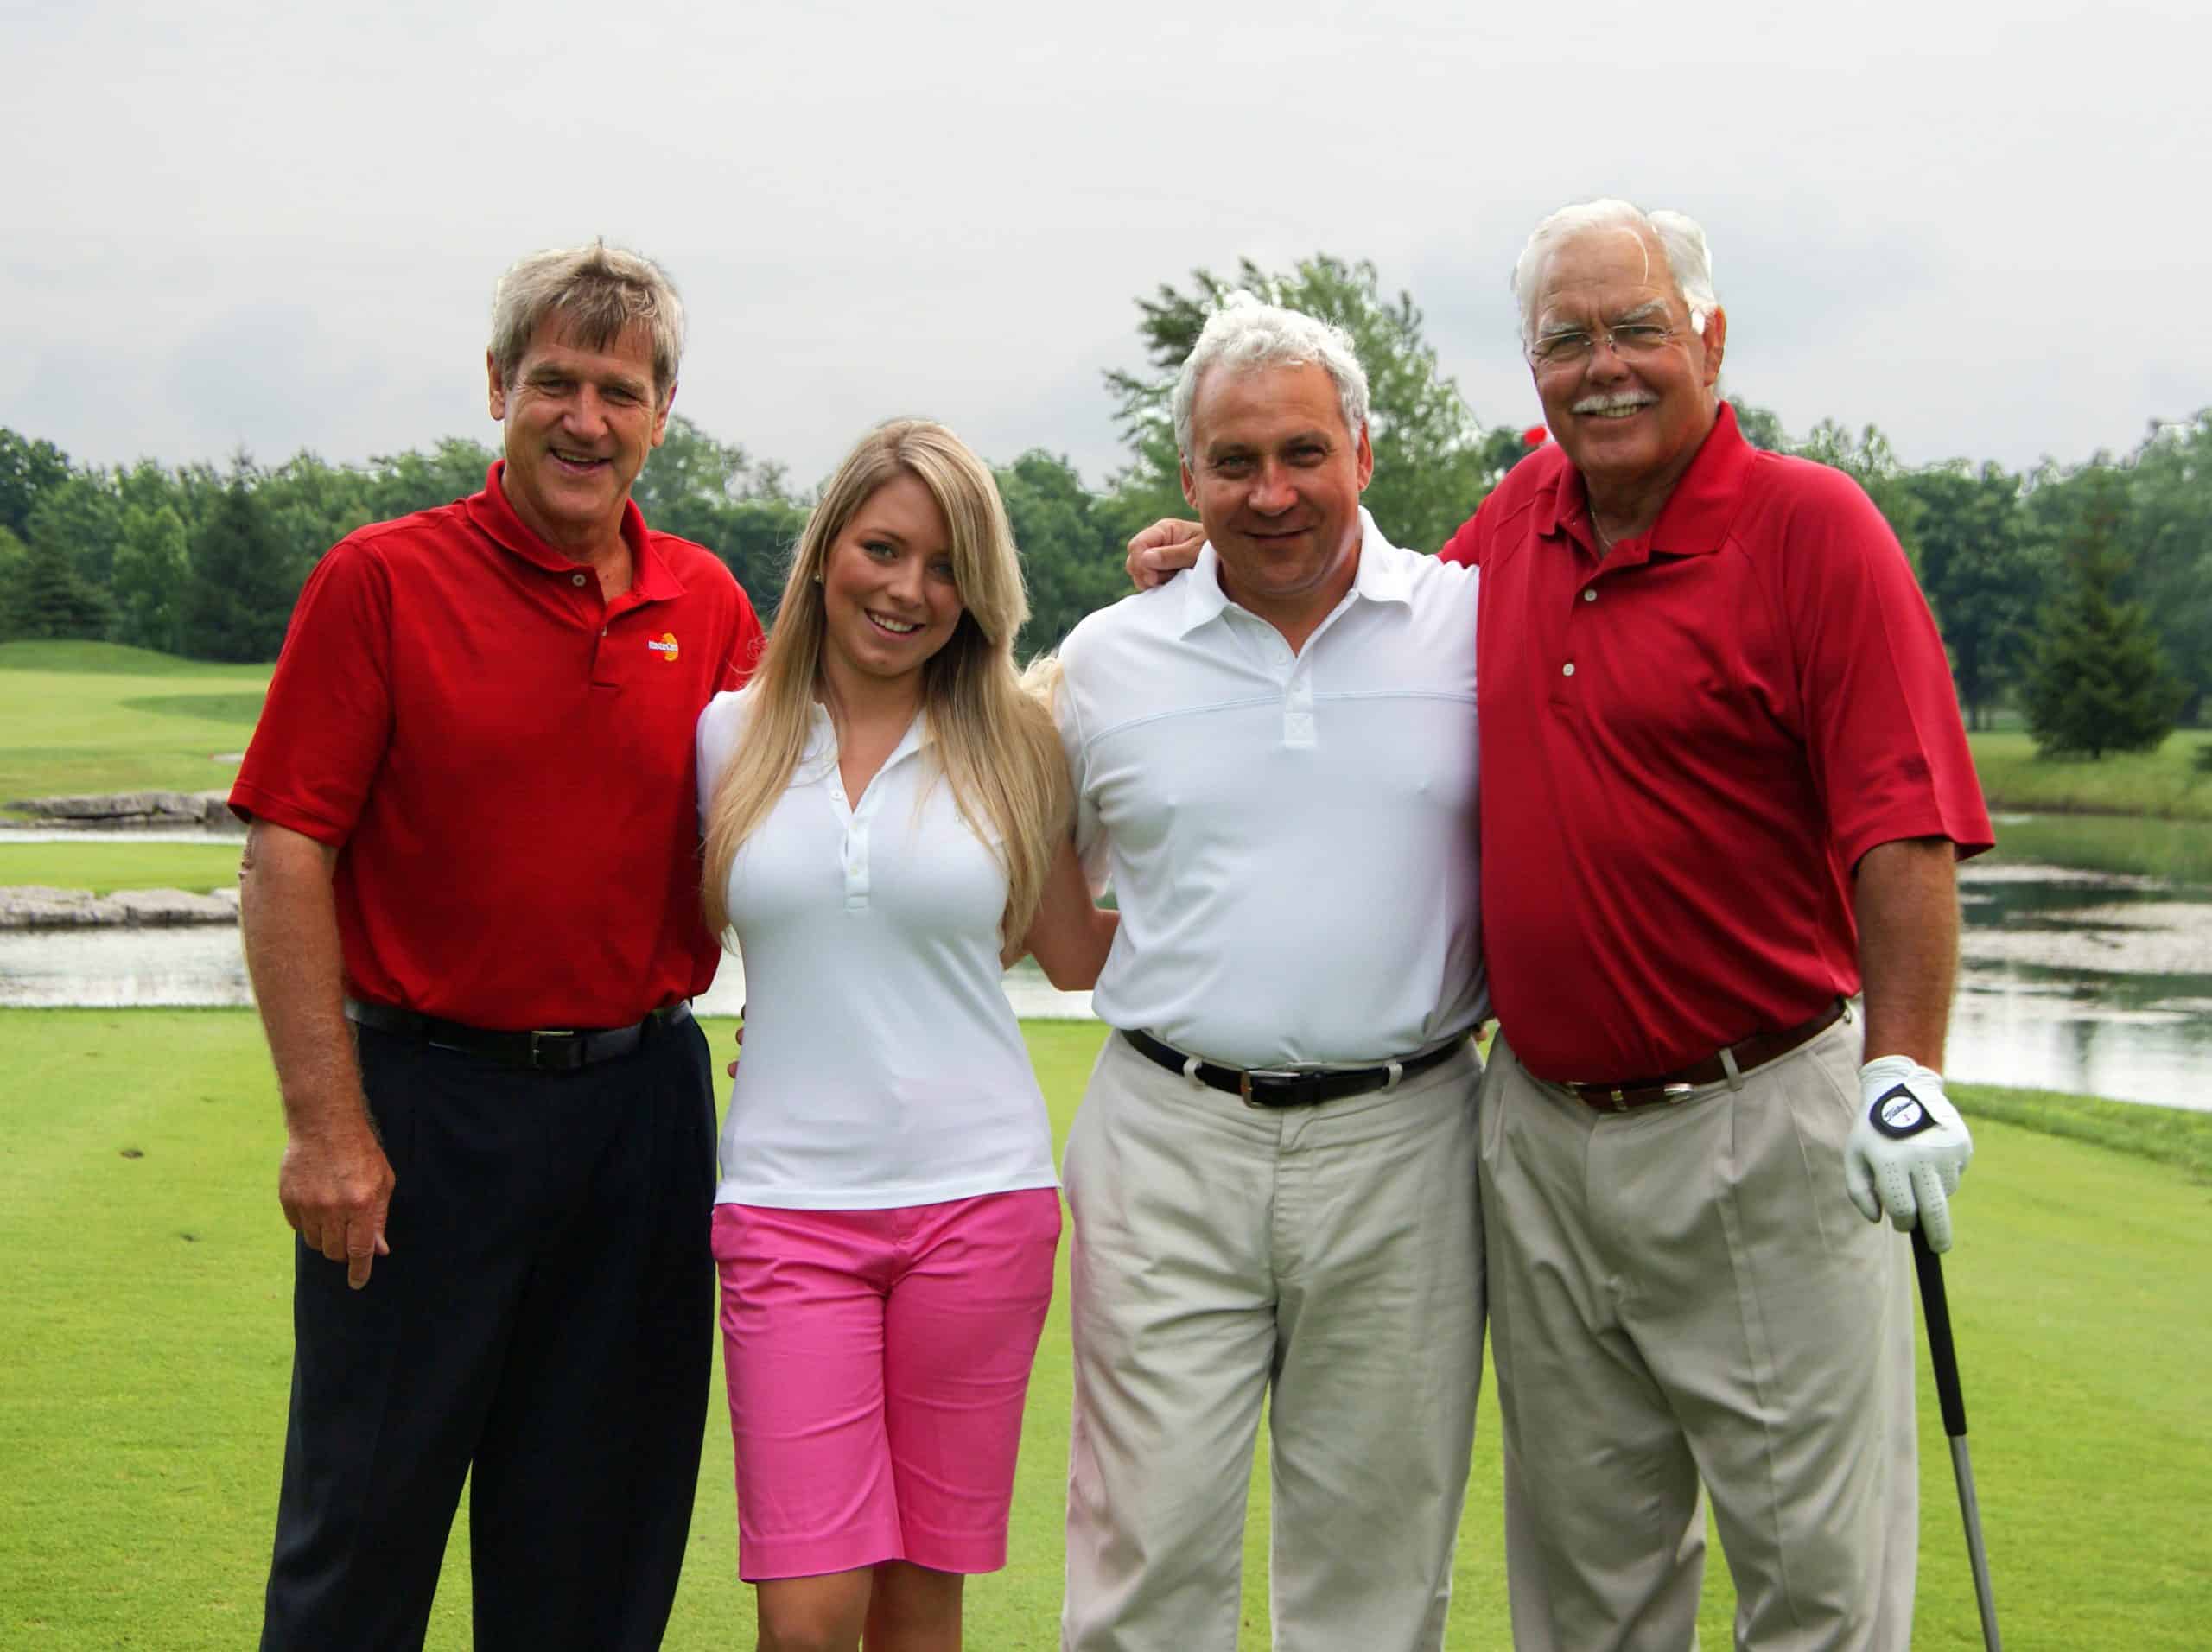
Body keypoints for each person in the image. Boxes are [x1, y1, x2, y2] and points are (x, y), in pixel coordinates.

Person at [1130, 201, 1992, 1649]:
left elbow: (1902, 827)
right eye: (1566, 340)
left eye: (1636, 329)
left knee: (1818, 1589)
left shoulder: (1811, 528)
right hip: (1535, 1139)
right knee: (1590, 1589)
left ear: (1707, 337)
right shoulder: (1515, 524)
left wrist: (1906, 1065)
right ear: (1531, 368)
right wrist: (1211, 562)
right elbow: (1356, 602)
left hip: (1761, 1121)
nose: (1604, 367)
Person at [231, 241, 765, 1651]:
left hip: (640, 1119)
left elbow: (829, 798)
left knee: (596, 1550)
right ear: (497, 389)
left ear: (663, 414)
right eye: (556, 382)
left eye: (623, 390)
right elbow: (290, 848)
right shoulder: (381, 580)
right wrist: (324, 1128)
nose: (586, 418)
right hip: (422, 1116)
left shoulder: (706, 604)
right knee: (363, 1534)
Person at [1056, 295, 1488, 1652]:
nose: (1272, 490)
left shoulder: (1471, 623)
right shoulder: (1103, 661)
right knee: (1147, 1552)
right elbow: (1010, 875)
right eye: (1234, 463)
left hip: (1408, 1136)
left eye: (1304, 453)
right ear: (1187, 479)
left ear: (1362, 448)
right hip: (1169, 1136)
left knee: (1376, 1564)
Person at [696, 418, 1116, 1652]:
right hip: (785, 1209)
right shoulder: (726, 735)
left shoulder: (1020, 743)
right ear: (827, 550)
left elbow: (1079, 955)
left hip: (979, 1204)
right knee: (808, 1617)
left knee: (921, 1603)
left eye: (945, 569)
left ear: (978, 596)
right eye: (883, 548)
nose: (908, 590)